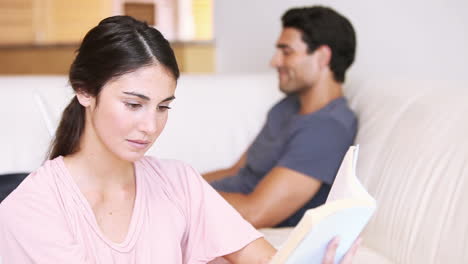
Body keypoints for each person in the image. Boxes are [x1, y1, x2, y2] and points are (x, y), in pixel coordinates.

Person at [0, 16, 359, 263]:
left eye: (163, 107)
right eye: (133, 104)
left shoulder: (180, 183)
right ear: (85, 91)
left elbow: (265, 257)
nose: (151, 127)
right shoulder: (31, 209)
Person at [205, 6, 358, 228]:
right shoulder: (286, 107)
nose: (274, 62)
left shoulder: (327, 129)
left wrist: (179, 197)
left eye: (286, 52)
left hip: (218, 219)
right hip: (206, 204)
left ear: (323, 57)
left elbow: (256, 213)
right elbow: (235, 171)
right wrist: (172, 183)